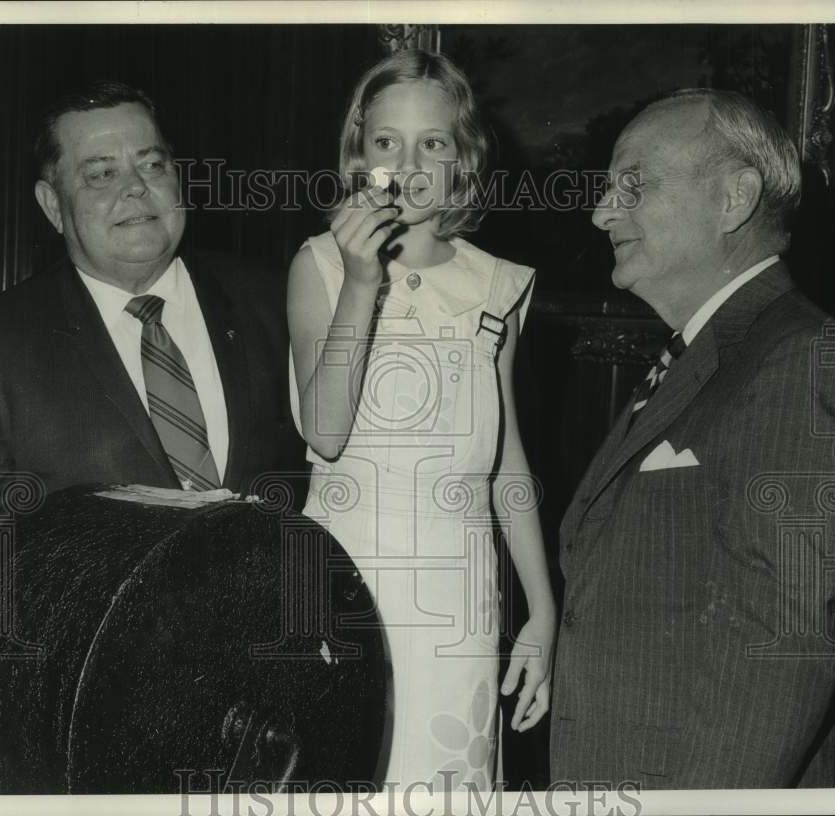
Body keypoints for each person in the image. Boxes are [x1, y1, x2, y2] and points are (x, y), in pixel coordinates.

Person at [549, 89, 835, 788]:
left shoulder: (799, 359)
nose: (601, 212)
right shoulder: (698, 359)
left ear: (735, 198)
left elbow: (777, 648)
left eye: (631, 184)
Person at [0, 81, 299, 620]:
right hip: (84, 692)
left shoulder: (275, 304)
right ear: (53, 205)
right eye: (101, 174)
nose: (136, 190)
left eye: (152, 165)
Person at [287, 49, 556, 789]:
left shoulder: (498, 285)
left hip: (461, 599)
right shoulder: (319, 266)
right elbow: (325, 431)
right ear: (357, 154)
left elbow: (507, 463)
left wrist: (542, 610)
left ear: (464, 158)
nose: (407, 165)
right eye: (385, 143)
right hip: (350, 575)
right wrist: (361, 282)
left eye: (433, 143)